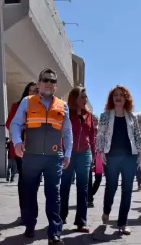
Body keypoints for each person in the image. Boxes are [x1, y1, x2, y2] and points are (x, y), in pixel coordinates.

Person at [10, 68, 72, 244]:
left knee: (54, 194)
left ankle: (54, 232)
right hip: (31, 156)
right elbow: (16, 124)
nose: (49, 83)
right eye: (45, 80)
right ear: (38, 84)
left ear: (56, 85)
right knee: (29, 192)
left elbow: (67, 131)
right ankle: (30, 225)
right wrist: (16, 141)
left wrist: (67, 153)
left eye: (52, 81)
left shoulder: (62, 105)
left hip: (54, 157)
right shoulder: (27, 101)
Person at [96, 85, 141, 235]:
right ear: (112, 98)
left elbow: (137, 135)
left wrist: (140, 152)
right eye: (115, 95)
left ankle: (123, 222)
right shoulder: (105, 116)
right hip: (111, 156)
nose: (118, 97)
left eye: (121, 95)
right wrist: (101, 151)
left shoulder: (132, 117)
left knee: (127, 190)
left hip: (130, 157)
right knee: (112, 187)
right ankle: (106, 210)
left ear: (125, 98)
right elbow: (100, 135)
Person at [60, 86, 95, 233]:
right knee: (64, 186)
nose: (85, 99)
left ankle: (81, 221)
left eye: (85, 97)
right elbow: (62, 133)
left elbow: (92, 136)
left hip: (84, 154)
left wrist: (93, 154)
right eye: (82, 97)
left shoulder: (89, 115)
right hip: (69, 153)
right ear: (75, 98)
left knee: (83, 187)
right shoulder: (67, 114)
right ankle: (61, 217)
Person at [5, 81, 38, 223]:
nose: (33, 93)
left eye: (35, 91)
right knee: (24, 179)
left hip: (37, 148)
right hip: (21, 148)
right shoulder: (17, 105)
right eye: (30, 90)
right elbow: (9, 123)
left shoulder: (41, 106)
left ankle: (31, 209)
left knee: (34, 181)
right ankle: (24, 211)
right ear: (26, 91)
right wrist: (23, 127)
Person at [88, 114, 103, 208]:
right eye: (92, 120)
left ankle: (90, 194)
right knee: (88, 180)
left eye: (95, 120)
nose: (94, 122)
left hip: (98, 157)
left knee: (99, 178)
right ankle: (90, 199)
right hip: (88, 156)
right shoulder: (87, 130)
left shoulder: (100, 132)